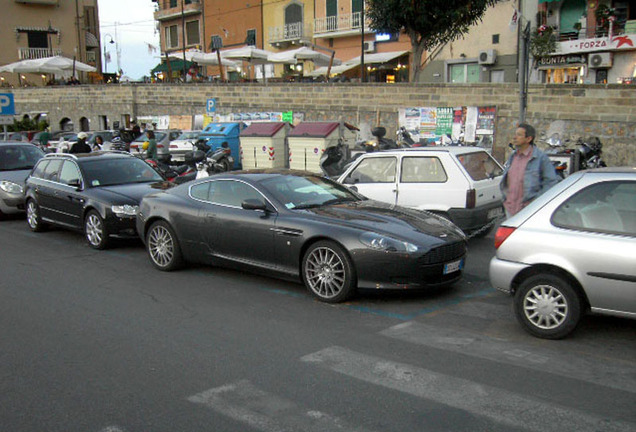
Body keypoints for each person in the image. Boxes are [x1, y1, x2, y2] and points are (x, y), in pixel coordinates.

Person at [500, 123, 560, 217]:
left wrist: (537, 201)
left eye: (519, 135)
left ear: (529, 139)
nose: (515, 137)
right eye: (515, 134)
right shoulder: (513, 156)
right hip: (510, 209)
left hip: (529, 210)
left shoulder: (540, 158)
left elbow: (551, 182)